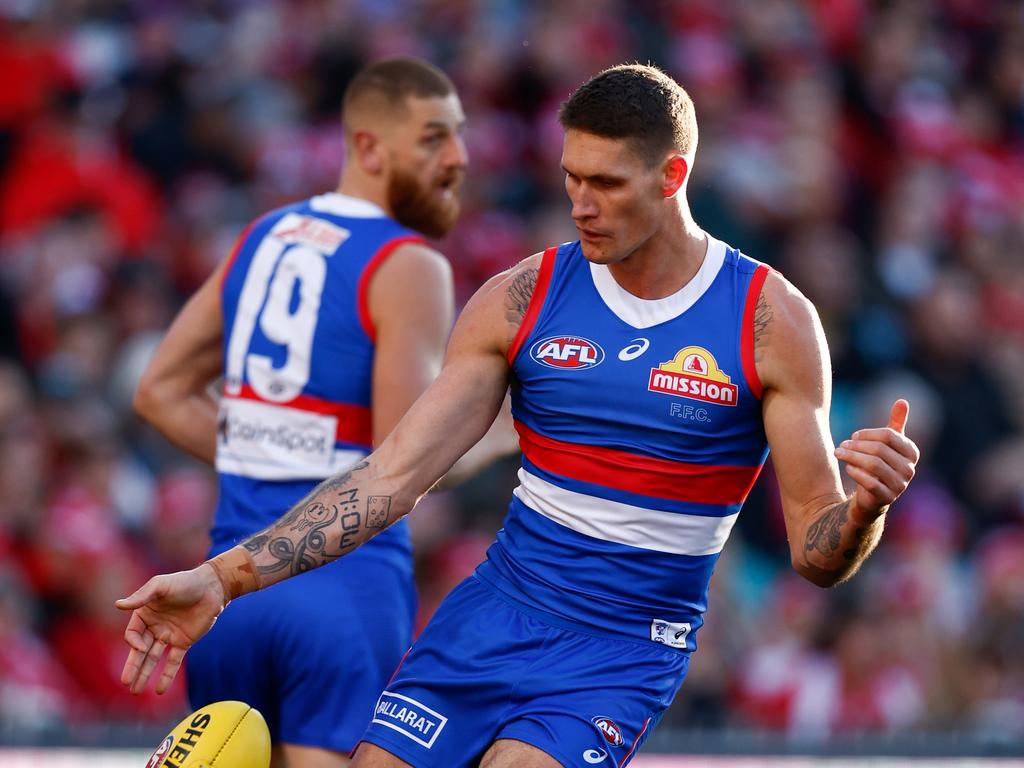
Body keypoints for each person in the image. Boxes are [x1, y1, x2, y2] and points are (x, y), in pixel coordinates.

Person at [118, 64, 920, 768]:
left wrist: (864, 513)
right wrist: (220, 579)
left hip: (623, 646)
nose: (580, 203)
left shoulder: (769, 320)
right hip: (493, 612)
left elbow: (817, 550)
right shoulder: (519, 299)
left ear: (673, 177)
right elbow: (390, 478)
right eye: (571, 177)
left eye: (606, 183)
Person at [129, 56, 494, 767]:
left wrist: (268, 453)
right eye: (434, 138)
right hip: (343, 594)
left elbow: (160, 392)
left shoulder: (264, 235)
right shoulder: (408, 263)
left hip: (225, 596)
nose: (459, 157)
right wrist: (500, 432)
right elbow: (407, 458)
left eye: (458, 137)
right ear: (367, 147)